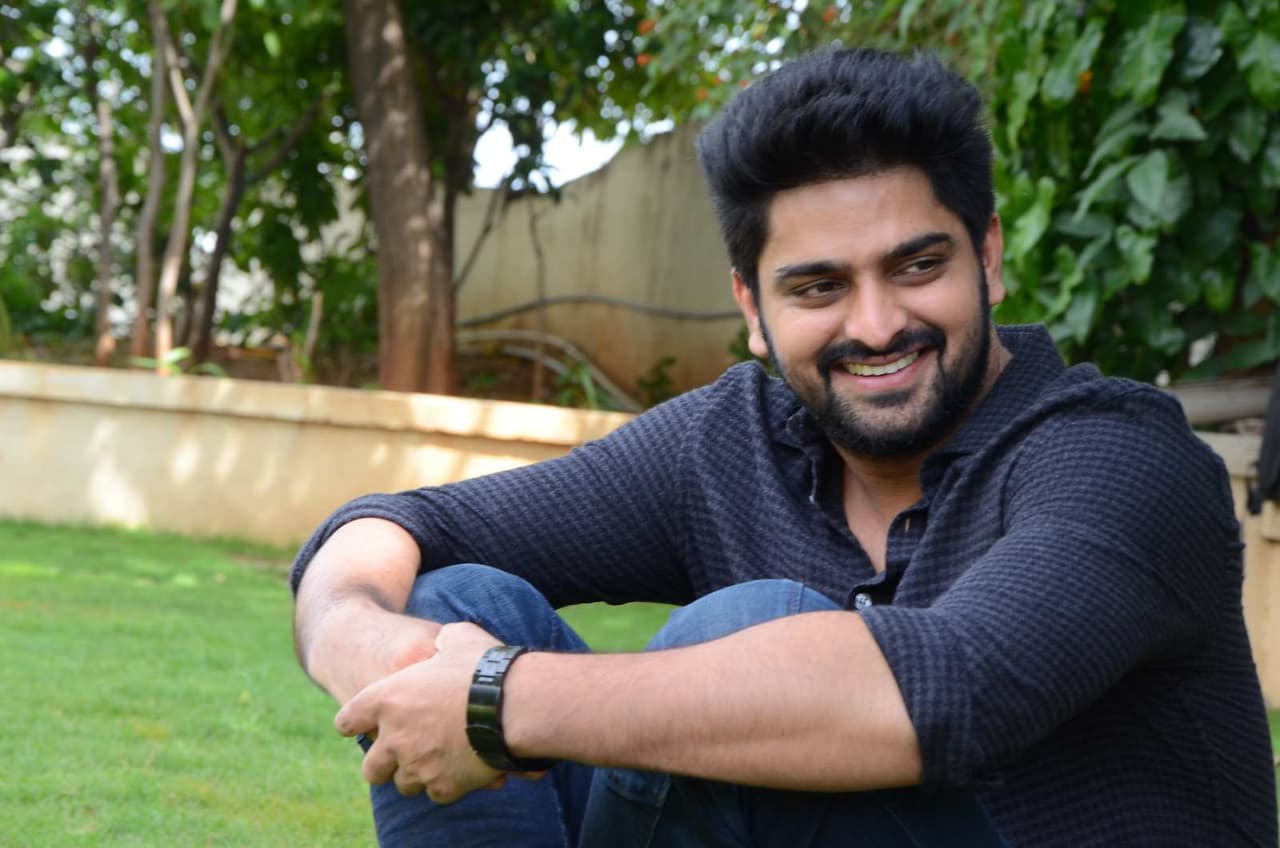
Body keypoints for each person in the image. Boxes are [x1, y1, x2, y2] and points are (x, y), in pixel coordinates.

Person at [291, 48, 1278, 847]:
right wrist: (361, 639)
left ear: (986, 257)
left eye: (916, 265)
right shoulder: (733, 445)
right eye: (818, 287)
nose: (877, 324)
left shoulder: (1119, 457)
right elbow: (405, 524)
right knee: (452, 601)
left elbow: (956, 688)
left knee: (748, 631)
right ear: (752, 309)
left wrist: (494, 700)